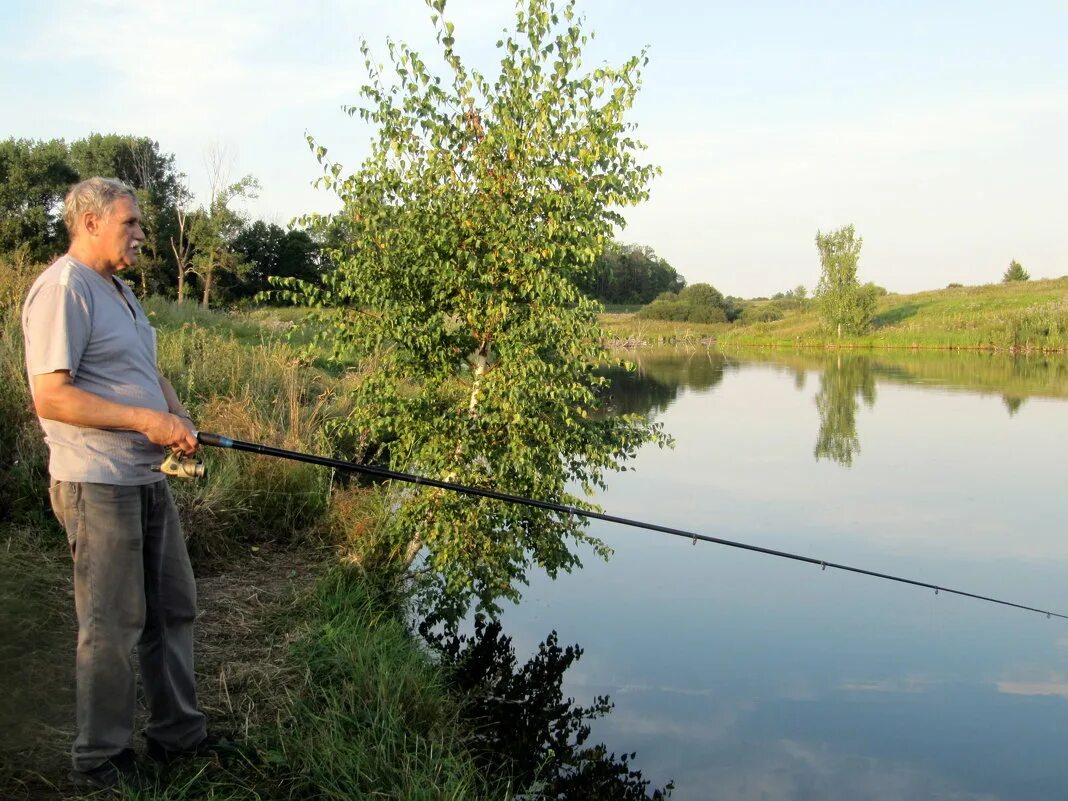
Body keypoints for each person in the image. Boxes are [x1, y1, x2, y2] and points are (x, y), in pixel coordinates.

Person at [22, 177, 223, 791]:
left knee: (173, 605)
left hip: (145, 475)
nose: (140, 233)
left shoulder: (119, 292)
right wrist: (144, 420)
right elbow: (50, 395)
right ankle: (100, 759)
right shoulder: (64, 289)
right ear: (89, 222)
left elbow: (147, 373)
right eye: (130, 222)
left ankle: (177, 735)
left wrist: (177, 417)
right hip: (97, 480)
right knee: (112, 622)